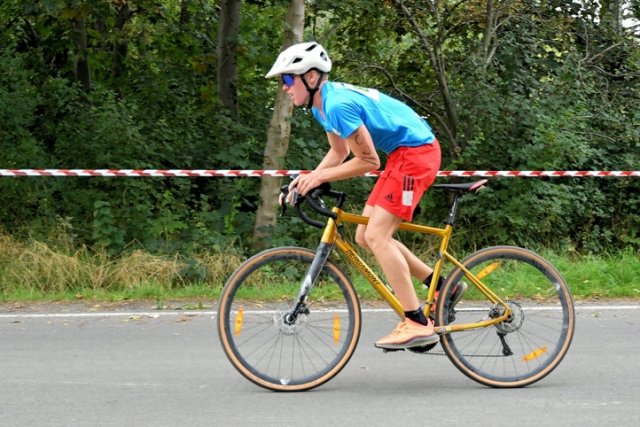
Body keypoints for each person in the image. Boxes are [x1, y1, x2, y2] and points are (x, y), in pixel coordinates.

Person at [266, 41, 461, 350]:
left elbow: (369, 161)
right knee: (364, 235)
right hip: (403, 156)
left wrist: (318, 177)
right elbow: (339, 152)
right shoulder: (322, 107)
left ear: (311, 77)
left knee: (378, 235)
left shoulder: (336, 105)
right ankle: (442, 288)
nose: (285, 87)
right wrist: (306, 180)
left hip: (417, 156)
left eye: (288, 79)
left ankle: (416, 323)